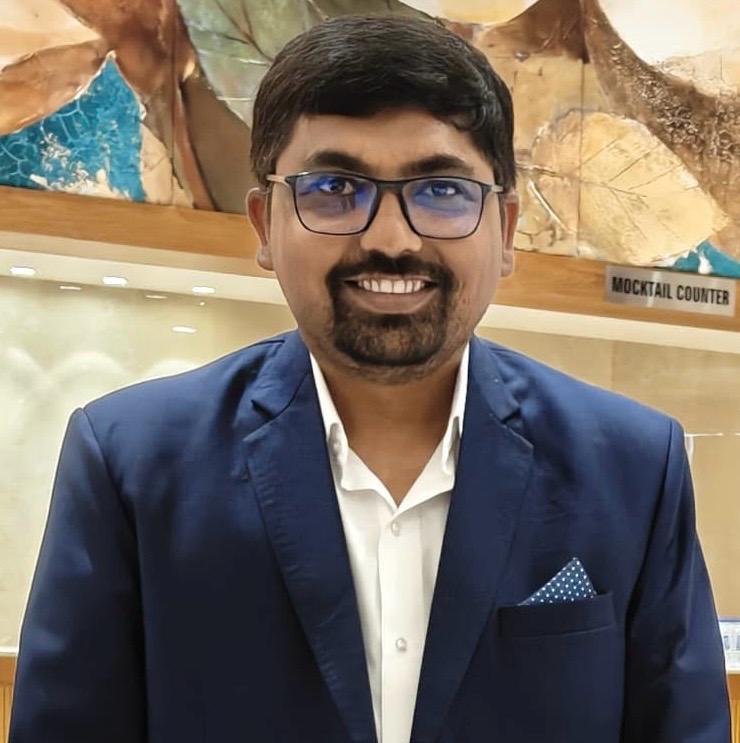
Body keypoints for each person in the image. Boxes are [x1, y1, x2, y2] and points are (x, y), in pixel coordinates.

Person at [10, 14, 730, 743]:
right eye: (333, 187)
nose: (391, 237)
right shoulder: (132, 462)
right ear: (264, 225)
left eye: (441, 190)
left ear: (506, 230)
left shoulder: (633, 467)